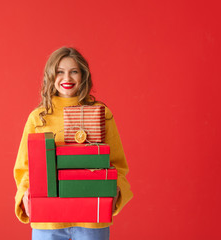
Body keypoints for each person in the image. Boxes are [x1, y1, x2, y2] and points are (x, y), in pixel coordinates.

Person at [14, 47, 133, 240]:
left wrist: (116, 190)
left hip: (91, 218)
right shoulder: (38, 117)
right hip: (48, 218)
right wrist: (24, 195)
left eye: (74, 71)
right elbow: (25, 168)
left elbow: (117, 162)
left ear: (83, 75)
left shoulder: (101, 113)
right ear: (50, 76)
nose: (66, 78)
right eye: (60, 72)